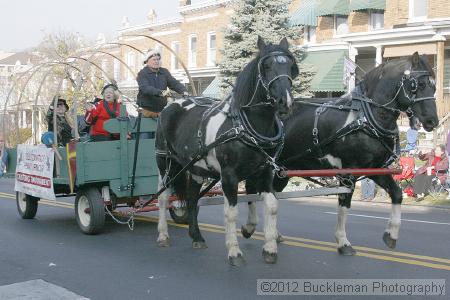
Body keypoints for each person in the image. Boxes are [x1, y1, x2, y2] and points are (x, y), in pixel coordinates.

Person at [136, 49, 188, 118]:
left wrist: (183, 90)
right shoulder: (142, 73)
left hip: (161, 110)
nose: (156, 61)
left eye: (158, 59)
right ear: (147, 61)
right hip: (146, 111)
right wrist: (162, 93)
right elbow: (145, 88)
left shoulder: (164, 72)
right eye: (154, 60)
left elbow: (174, 83)